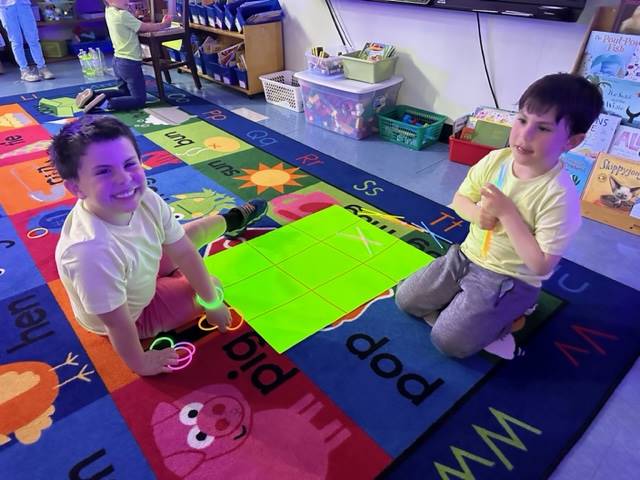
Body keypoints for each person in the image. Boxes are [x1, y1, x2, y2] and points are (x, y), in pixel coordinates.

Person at [395, 73, 603, 359]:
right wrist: (477, 215)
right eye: (521, 120)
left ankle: (514, 313)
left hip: (509, 280)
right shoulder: (497, 160)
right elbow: (460, 199)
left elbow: (541, 265)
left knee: (447, 342)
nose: (524, 135)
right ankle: (469, 307)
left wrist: (508, 215)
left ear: (572, 141)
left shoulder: (559, 197)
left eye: (543, 128)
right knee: (406, 300)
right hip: (466, 256)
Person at [50, 115, 268, 376]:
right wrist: (141, 363)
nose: (125, 180)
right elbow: (117, 324)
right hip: (134, 314)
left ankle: (231, 220)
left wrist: (211, 303)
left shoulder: (145, 198)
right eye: (104, 171)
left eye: (130, 164)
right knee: (215, 284)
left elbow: (186, 251)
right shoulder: (89, 253)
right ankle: (176, 279)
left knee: (191, 234)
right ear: (76, 188)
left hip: (138, 270)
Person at [76, 0, 172, 113]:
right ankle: (106, 103)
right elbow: (144, 27)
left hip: (118, 61)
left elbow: (127, 22)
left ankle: (93, 96)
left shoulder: (109, 11)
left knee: (124, 92)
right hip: (130, 64)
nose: (127, 1)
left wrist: (131, 13)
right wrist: (164, 24)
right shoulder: (123, 15)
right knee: (139, 99)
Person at [0, 0, 55, 82]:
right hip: (6, 8)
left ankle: (42, 68)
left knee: (33, 39)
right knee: (16, 41)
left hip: (23, 5)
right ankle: (24, 71)